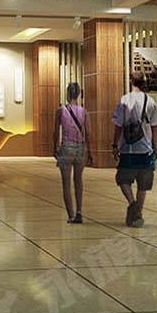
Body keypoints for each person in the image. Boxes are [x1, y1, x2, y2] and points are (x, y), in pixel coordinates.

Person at [111, 72, 157, 227]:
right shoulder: (150, 101)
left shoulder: (124, 100)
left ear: (131, 81)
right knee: (143, 184)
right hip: (146, 149)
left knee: (123, 179)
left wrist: (115, 145)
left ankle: (133, 204)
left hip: (128, 148)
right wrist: (155, 147)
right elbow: (155, 126)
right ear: (143, 82)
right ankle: (137, 214)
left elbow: (118, 126)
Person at [53, 82, 93, 223]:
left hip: (66, 147)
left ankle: (71, 215)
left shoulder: (61, 110)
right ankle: (79, 211)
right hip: (80, 148)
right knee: (78, 181)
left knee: (66, 182)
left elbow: (56, 131)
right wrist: (90, 151)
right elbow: (88, 133)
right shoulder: (84, 112)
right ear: (79, 94)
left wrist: (54, 147)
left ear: (67, 94)